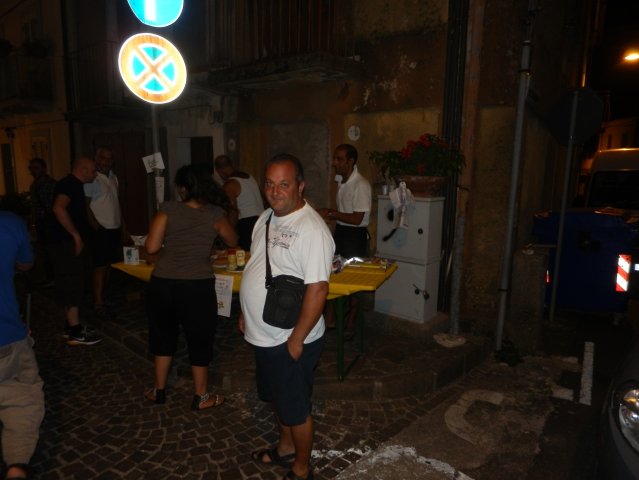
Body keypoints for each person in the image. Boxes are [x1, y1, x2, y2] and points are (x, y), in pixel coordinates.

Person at [239, 154, 334, 480]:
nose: (275, 191)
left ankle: (302, 468)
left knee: (296, 408)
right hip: (264, 335)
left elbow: (318, 290)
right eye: (269, 183)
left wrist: (296, 340)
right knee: (278, 399)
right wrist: (246, 312)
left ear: (300, 186)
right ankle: (285, 448)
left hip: (290, 338)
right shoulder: (265, 218)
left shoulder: (312, 229)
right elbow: (256, 264)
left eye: (284, 184)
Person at [144, 164, 238, 410]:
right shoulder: (214, 213)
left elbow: (151, 247)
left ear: (183, 189)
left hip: (163, 283)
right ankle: (201, 396)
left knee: (162, 336)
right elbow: (233, 240)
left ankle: (159, 390)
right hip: (196, 285)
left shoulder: (168, 209)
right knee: (199, 338)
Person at [0, 211, 45, 480]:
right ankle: (16, 467)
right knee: (21, 399)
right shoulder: (10, 223)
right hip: (5, 335)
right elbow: (26, 264)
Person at [317, 144, 372, 334]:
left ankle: (351, 322)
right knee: (333, 273)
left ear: (351, 161)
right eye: (335, 158)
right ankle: (330, 318)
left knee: (353, 279)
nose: (335, 163)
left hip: (355, 236)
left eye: (339, 159)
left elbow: (357, 219)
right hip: (341, 232)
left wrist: (331, 213)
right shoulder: (342, 181)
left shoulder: (361, 184)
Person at [48, 156, 103, 346]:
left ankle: (70, 325)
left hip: (66, 243)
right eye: (93, 170)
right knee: (73, 282)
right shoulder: (69, 184)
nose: (95, 174)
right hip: (66, 244)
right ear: (83, 169)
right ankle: (74, 330)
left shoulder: (74, 185)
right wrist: (76, 236)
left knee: (72, 281)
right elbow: (58, 208)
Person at [84, 147, 128, 319]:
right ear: (96, 158)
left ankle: (103, 297)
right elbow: (85, 204)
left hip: (114, 228)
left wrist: (123, 228)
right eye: (103, 158)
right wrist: (95, 225)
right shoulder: (92, 179)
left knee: (109, 265)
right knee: (100, 266)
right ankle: (98, 303)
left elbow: (116, 204)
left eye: (110, 159)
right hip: (101, 229)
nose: (106, 162)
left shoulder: (113, 177)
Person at [214, 154, 264, 251]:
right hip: (261, 221)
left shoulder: (230, 185)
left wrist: (230, 233)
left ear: (219, 171)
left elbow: (233, 211)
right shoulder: (249, 177)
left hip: (247, 225)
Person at [28, 157, 56, 287]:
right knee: (44, 250)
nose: (33, 171)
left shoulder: (46, 183)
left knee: (49, 250)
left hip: (47, 221)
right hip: (42, 221)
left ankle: (52, 278)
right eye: (31, 168)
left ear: (43, 169)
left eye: (36, 168)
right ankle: (49, 277)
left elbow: (48, 204)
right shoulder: (37, 184)